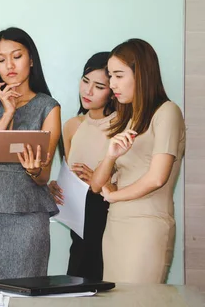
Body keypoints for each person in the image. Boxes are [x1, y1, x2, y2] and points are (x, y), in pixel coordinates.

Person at [0, 27, 61, 279]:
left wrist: (33, 169)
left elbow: (43, 177)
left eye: (16, 56)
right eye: (0, 59)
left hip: (29, 213)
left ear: (31, 60)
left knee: (25, 291)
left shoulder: (48, 107)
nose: (9, 65)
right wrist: (7, 113)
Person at [91, 38, 186, 284]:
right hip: (116, 223)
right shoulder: (124, 119)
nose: (112, 84)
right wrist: (111, 156)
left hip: (148, 225)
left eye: (119, 75)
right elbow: (96, 184)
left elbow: (157, 178)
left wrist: (113, 196)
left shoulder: (167, 112)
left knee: (140, 299)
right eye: (110, 76)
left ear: (141, 73)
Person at [48, 52, 116, 280]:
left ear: (113, 91)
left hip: (111, 216)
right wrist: (55, 187)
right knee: (77, 283)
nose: (87, 91)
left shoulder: (123, 126)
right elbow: (69, 174)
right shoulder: (72, 126)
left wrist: (102, 180)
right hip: (79, 218)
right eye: (85, 81)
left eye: (99, 86)